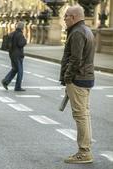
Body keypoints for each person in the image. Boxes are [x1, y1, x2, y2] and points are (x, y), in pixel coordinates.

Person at [60, 5, 95, 164]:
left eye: (66, 16)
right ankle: (85, 149)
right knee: (84, 115)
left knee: (80, 116)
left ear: (73, 17)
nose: (64, 19)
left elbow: (75, 59)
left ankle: (84, 152)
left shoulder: (77, 33)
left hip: (78, 79)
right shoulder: (85, 30)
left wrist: (67, 78)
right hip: (85, 77)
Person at [1, 22, 27, 91]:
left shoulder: (12, 33)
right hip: (18, 55)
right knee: (20, 71)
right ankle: (17, 87)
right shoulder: (20, 35)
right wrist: (25, 41)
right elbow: (20, 44)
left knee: (15, 69)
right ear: (22, 28)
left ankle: (5, 81)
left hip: (11, 54)